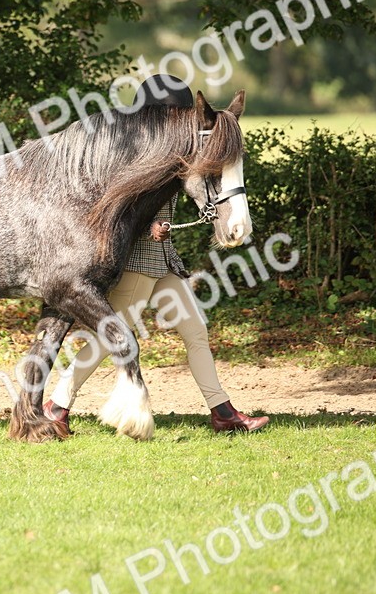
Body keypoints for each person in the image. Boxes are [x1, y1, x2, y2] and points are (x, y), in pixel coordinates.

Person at [43, 73, 269, 434]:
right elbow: (118, 199)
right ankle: (56, 406)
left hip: (163, 260)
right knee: (107, 339)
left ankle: (223, 413)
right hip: (137, 261)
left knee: (195, 332)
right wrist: (146, 223)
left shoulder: (177, 147)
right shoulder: (137, 149)